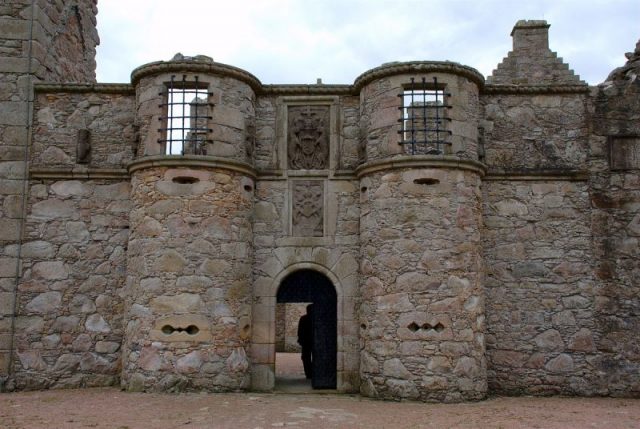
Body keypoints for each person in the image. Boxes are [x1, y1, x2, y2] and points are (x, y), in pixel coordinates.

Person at [297, 304, 313, 379]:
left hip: (306, 341)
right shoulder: (316, 318)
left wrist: (300, 339)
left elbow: (299, 331)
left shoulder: (303, 318)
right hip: (312, 341)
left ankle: (309, 374)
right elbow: (300, 331)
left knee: (305, 357)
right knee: (307, 357)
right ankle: (313, 373)